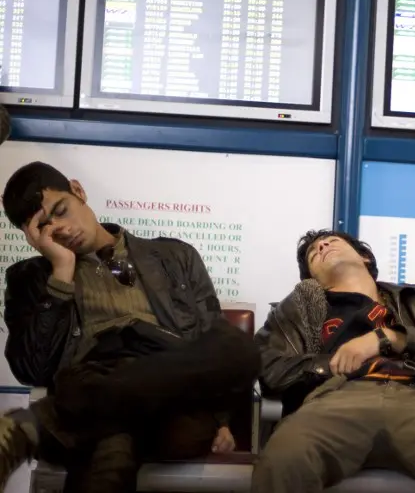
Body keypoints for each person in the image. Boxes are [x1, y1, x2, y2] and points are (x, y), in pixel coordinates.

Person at [0, 161, 261, 492]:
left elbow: (210, 338)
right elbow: (32, 370)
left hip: (170, 392)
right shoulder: (30, 279)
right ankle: (73, 415)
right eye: (45, 228)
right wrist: (61, 272)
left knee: (239, 349)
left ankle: (36, 425)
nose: (62, 229)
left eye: (62, 210)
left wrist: (223, 421)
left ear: (78, 191)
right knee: (112, 442)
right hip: (96, 379)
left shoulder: (175, 256)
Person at [252, 229, 415, 493]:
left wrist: (394, 338)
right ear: (312, 278)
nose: (322, 246)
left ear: (365, 257)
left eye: (331, 241)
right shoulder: (297, 310)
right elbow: (271, 371)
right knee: (284, 458)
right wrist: (337, 362)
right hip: (336, 398)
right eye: (313, 253)